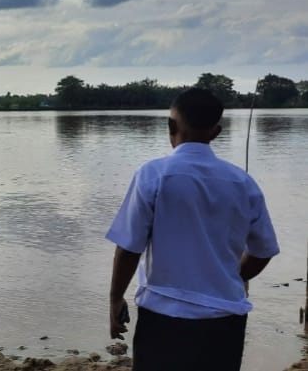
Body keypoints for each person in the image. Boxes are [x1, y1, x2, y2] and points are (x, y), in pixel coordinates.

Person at [106, 88, 280, 371]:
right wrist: (234, 275)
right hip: (225, 319)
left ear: (171, 126)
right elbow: (263, 251)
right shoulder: (243, 183)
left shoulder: (153, 174)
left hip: (163, 317)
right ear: (217, 132)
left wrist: (115, 299)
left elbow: (129, 247)